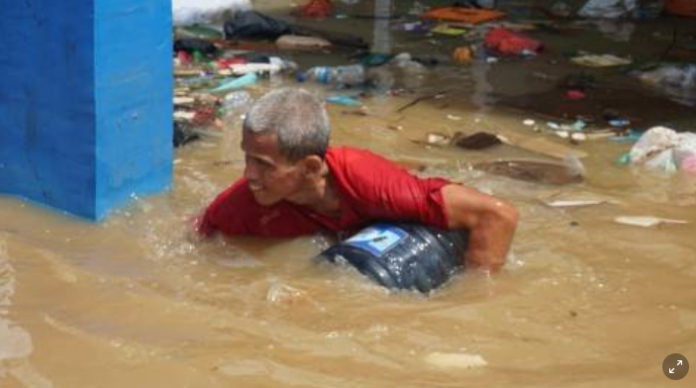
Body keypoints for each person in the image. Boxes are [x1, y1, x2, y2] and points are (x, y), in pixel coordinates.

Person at [197, 88, 518, 272]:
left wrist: (473, 301)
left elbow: (499, 215)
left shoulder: (370, 185)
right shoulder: (240, 205)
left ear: (310, 167)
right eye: (247, 157)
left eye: (264, 165)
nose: (249, 175)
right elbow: (198, 240)